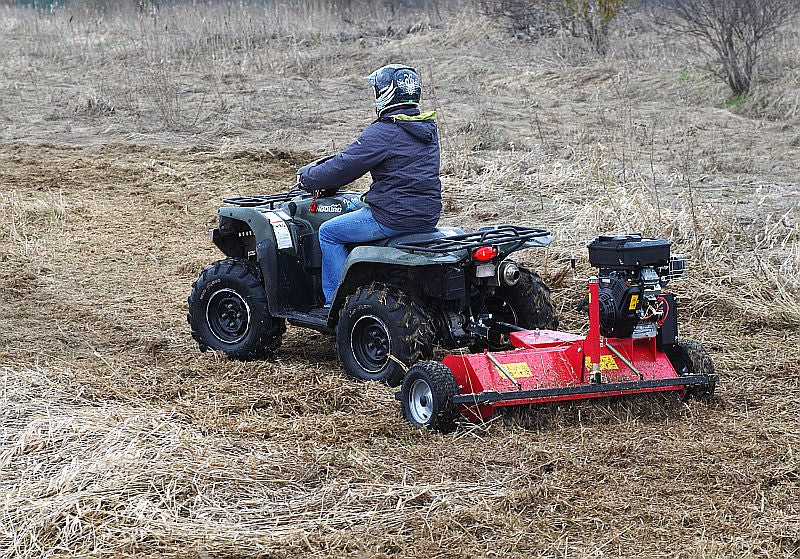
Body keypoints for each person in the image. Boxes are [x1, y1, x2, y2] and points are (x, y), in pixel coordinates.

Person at [299, 64, 442, 307]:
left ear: (386, 93)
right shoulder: (425, 128)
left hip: (393, 217)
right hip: (426, 214)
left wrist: (309, 177)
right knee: (356, 201)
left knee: (329, 233)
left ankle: (335, 304)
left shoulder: (385, 131)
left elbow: (344, 166)